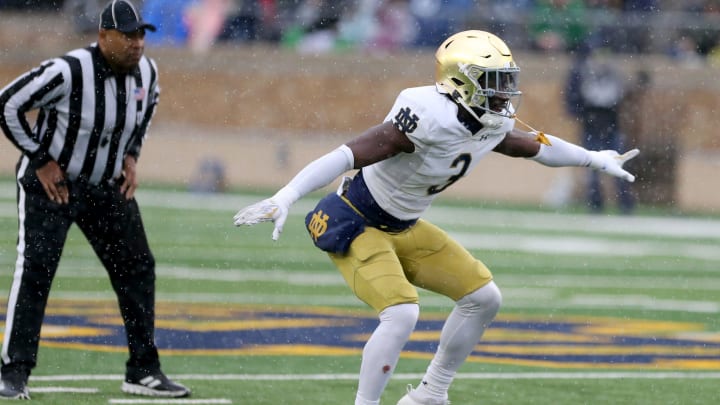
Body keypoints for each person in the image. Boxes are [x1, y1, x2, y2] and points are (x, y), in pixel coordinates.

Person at [233, 30, 638, 405]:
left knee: (483, 298)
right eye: (493, 81)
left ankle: (431, 393)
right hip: (358, 221)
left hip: (405, 225)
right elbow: (348, 154)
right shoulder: (427, 113)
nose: (504, 93)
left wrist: (594, 160)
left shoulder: (486, 119)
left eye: (506, 80)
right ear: (462, 81)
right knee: (402, 313)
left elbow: (531, 146)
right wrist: (287, 195)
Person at [0, 0, 190, 399]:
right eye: (128, 36)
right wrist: (40, 159)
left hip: (106, 185)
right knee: (36, 271)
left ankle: (142, 370)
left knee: (138, 269)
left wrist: (132, 155)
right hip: (53, 184)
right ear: (103, 36)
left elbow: (148, 107)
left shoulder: (147, 72)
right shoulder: (68, 70)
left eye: (141, 35)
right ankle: (14, 371)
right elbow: (9, 104)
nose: (137, 44)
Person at [564, 42, 635, 214]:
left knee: (616, 167)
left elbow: (616, 98)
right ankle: (598, 204)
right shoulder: (584, 74)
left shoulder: (611, 75)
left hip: (607, 127)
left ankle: (623, 205)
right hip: (594, 127)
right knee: (594, 169)